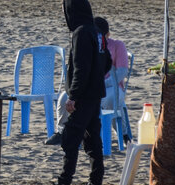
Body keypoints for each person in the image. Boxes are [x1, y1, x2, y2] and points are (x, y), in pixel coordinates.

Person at [39, 0, 111, 185]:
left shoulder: (80, 33)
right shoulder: (97, 32)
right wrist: (96, 79)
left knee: (71, 137)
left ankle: (64, 184)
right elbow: (107, 62)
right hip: (95, 93)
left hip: (85, 95)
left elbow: (81, 68)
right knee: (92, 139)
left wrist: (74, 96)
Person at [47, 16, 127, 146]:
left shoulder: (117, 45)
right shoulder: (86, 44)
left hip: (112, 85)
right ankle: (62, 131)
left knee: (109, 100)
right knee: (63, 98)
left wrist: (104, 83)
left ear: (108, 34)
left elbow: (122, 71)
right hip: (88, 86)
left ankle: (121, 134)